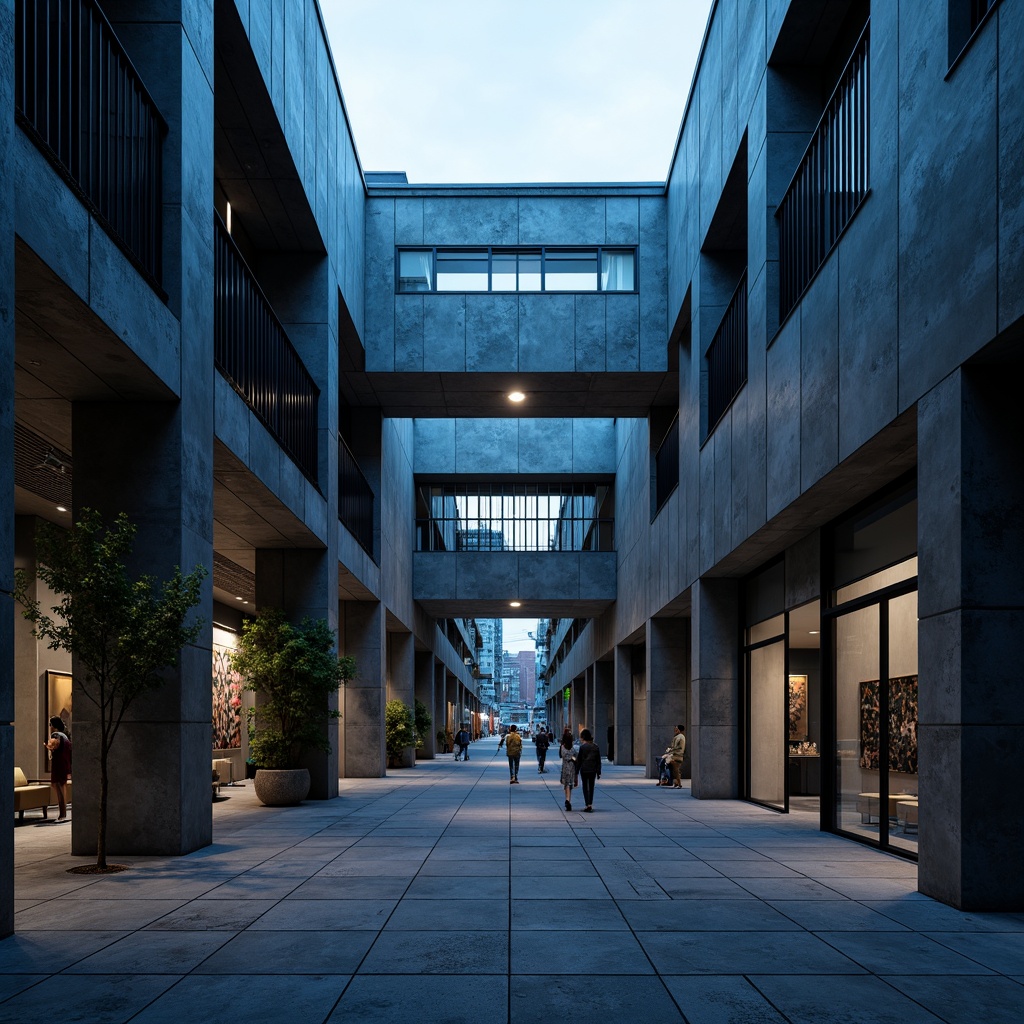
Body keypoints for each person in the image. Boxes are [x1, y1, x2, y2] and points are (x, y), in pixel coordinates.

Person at [45, 716, 71, 822]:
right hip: (64, 763)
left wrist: (48, 746)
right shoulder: (65, 735)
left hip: (58, 764)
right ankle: (63, 813)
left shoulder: (55, 735)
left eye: (50, 724)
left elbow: (54, 745)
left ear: (54, 726)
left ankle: (62, 815)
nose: (50, 727)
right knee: (62, 788)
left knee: (58, 788)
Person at [574, 729, 601, 812]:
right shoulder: (596, 747)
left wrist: (576, 772)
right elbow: (598, 761)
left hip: (584, 769)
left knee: (585, 787)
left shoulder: (582, 747)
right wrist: (598, 772)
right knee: (591, 787)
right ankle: (590, 804)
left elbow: (579, 761)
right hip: (592, 769)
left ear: (583, 737)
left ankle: (586, 804)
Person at [559, 731, 577, 811]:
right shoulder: (573, 748)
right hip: (572, 766)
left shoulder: (562, 747)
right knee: (570, 784)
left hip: (565, 766)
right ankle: (568, 799)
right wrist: (572, 758)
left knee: (566, 784)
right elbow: (576, 757)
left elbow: (562, 756)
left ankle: (567, 799)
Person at [665, 724, 686, 789]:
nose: (675, 730)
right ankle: (676, 783)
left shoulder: (679, 737)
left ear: (679, 730)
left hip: (676, 756)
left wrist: (670, 750)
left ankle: (678, 783)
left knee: (676, 770)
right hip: (676, 755)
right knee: (675, 770)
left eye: (676, 729)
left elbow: (677, 747)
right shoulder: (679, 736)